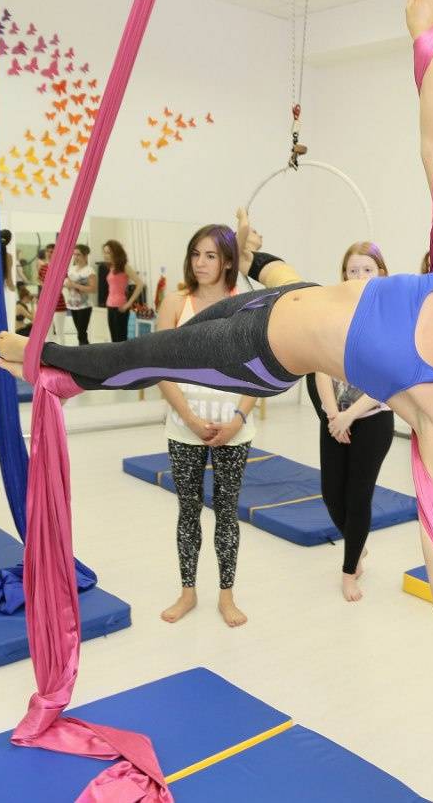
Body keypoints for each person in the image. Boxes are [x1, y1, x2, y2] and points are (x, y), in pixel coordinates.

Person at [0, 0, 433, 732]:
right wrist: (425, 43)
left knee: (148, 352)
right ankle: (63, 356)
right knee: (282, 276)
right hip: (276, 298)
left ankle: (44, 364)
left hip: (254, 352)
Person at [155, 225, 258, 627]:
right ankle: (187, 592)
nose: (200, 262)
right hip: (184, 426)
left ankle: (226, 596)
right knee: (188, 510)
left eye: (211, 255)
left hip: (234, 428)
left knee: (227, 512)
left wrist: (237, 419)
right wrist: (192, 418)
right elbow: (158, 365)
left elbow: (257, 371)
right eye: (196, 253)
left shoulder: (245, 305)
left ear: (228, 261)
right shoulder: (175, 302)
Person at [307, 242, 395, 602]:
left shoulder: (388, 321)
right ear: (343, 275)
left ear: (381, 275)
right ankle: (357, 545)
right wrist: (333, 415)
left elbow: (386, 380)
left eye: (366, 270)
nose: (358, 276)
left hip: (371, 420)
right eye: (352, 270)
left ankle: (349, 570)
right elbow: (320, 368)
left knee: (358, 497)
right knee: (331, 494)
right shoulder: (333, 315)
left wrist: (349, 415)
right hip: (334, 418)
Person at [101, 239, 144, 342]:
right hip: (110, 305)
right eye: (105, 252)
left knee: (120, 340)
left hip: (120, 307)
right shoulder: (111, 267)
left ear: (115, 252)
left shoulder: (124, 266)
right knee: (114, 339)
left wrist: (128, 304)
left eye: (108, 252)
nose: (105, 255)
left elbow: (140, 284)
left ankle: (123, 358)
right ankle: (116, 358)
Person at [63, 244, 96, 345]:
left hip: (84, 306)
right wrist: (68, 285)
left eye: (78, 255)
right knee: (80, 333)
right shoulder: (72, 269)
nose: (75, 257)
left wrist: (74, 285)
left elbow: (93, 289)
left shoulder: (89, 270)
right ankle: (85, 353)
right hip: (72, 305)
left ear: (85, 256)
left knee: (81, 334)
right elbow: (69, 286)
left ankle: (84, 354)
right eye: (74, 254)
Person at [35, 246, 66, 343]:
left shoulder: (61, 267)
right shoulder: (43, 267)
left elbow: (63, 283)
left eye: (52, 251)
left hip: (58, 303)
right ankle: (50, 354)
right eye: (47, 251)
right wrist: (44, 286)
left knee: (59, 331)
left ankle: (63, 353)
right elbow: (39, 279)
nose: (49, 253)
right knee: (47, 331)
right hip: (45, 302)